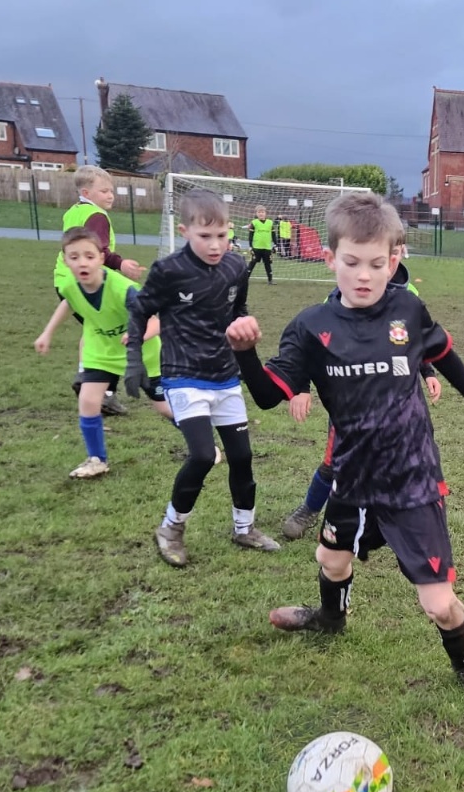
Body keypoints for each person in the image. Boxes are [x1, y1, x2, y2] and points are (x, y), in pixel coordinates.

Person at [242, 193, 464, 705]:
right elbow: (265, 395)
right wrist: (244, 353)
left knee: (438, 602)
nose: (364, 276)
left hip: (412, 480)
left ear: (393, 260)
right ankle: (330, 618)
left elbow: (443, 352)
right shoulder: (311, 327)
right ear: (330, 259)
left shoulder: (407, 308)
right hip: (352, 477)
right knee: (330, 560)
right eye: (351, 263)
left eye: (375, 264)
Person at [127, 189, 280, 564]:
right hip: (183, 377)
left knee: (241, 456)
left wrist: (244, 325)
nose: (215, 245)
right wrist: (133, 361)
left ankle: (244, 528)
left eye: (222, 235)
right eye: (205, 236)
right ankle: (171, 528)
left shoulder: (236, 266)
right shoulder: (169, 271)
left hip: (225, 376)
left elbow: (238, 306)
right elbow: (140, 311)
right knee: (201, 455)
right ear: (184, 231)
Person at [279, 236, 437, 542]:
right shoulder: (338, 298)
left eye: (393, 253)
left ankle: (394, 514)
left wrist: (427, 370)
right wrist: (301, 387)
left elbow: (415, 338)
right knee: (335, 461)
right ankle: (310, 509)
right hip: (350, 401)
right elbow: (311, 346)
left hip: (395, 402)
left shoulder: (409, 296)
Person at [34, 227, 167, 479]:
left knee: (164, 408)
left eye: (89, 256)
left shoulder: (124, 289)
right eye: (74, 257)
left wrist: (138, 336)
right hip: (101, 352)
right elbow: (68, 302)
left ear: (101, 258)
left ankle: (202, 444)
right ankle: (97, 459)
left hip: (141, 355)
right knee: (88, 400)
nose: (82, 263)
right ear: (65, 260)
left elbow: (157, 322)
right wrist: (47, 333)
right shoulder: (70, 285)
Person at [55, 167, 143, 418]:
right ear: (86, 193)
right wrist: (121, 264)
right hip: (87, 283)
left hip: (65, 281)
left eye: (111, 190)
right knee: (114, 333)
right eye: (104, 191)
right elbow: (100, 249)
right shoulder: (97, 215)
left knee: (94, 329)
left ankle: (85, 376)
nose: (110, 195)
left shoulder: (74, 211)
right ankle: (104, 391)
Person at [247, 205, 276, 284]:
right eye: (259, 212)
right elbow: (250, 235)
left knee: (267, 264)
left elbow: (273, 235)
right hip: (256, 247)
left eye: (262, 212)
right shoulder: (254, 222)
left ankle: (270, 280)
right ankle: (245, 279)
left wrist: (275, 244)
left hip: (267, 247)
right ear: (256, 213)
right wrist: (250, 246)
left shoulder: (270, 222)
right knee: (252, 263)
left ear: (265, 213)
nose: (261, 214)